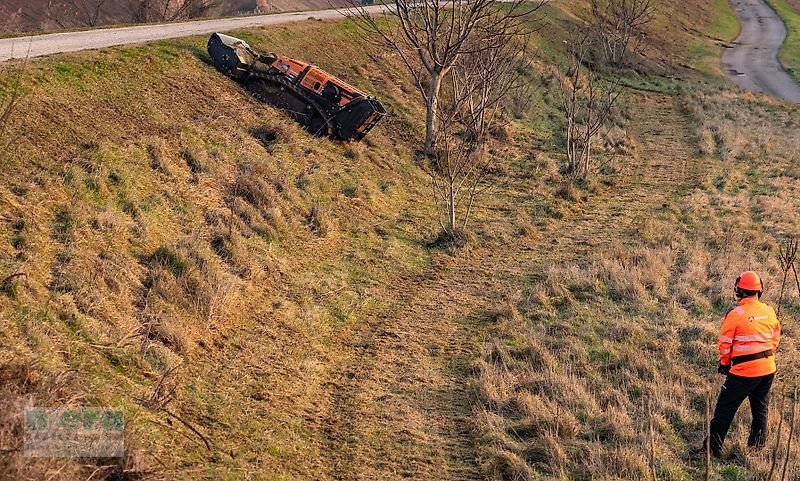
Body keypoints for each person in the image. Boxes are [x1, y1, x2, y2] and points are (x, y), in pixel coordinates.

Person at [705, 271, 780, 458]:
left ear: (739, 291)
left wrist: (725, 364)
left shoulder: (735, 314)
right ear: (759, 291)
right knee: (760, 408)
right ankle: (757, 447)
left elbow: (725, 344)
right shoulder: (769, 311)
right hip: (768, 367)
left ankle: (712, 448)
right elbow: (775, 339)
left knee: (725, 408)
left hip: (744, 371)